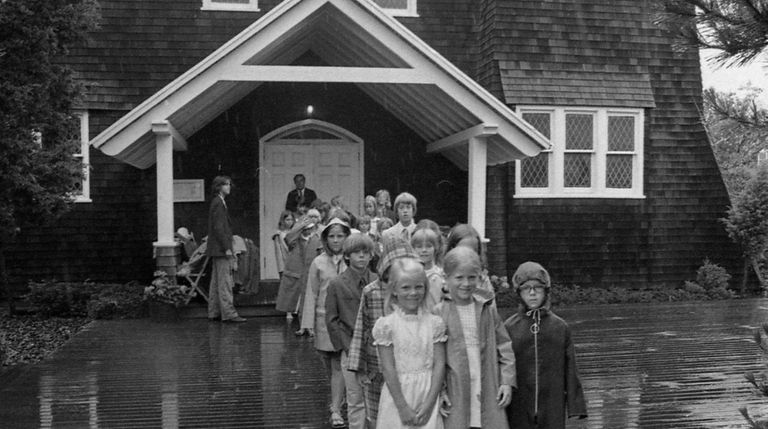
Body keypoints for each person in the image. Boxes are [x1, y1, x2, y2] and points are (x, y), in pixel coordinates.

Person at [435, 246, 516, 429]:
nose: (466, 283)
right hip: (456, 387)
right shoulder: (439, 313)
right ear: (446, 278)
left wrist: (507, 382)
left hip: (487, 383)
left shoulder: (487, 310)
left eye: (471, 277)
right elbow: (433, 358)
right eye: (459, 277)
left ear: (479, 278)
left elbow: (505, 347)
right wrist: (440, 390)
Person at [347, 237, 419, 429]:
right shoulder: (372, 292)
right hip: (376, 367)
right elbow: (361, 328)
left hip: (409, 367)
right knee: (378, 415)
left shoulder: (415, 292)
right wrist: (359, 366)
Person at [504, 262, 588, 428]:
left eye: (538, 288)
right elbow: (502, 364)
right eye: (526, 288)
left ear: (546, 290)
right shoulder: (509, 327)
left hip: (552, 401)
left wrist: (575, 405)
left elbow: (571, 368)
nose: (533, 293)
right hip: (519, 401)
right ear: (518, 293)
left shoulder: (559, 327)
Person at [372, 257, 446, 429]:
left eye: (418, 287)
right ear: (394, 290)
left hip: (428, 393)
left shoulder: (435, 324)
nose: (413, 293)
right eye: (406, 287)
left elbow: (439, 364)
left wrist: (430, 403)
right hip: (398, 395)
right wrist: (402, 407)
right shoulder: (387, 326)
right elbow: (388, 368)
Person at [300, 217, 351, 428]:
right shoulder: (318, 262)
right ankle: (339, 394)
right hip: (324, 320)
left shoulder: (352, 260)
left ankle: (336, 408)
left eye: (340, 236)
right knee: (329, 363)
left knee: (339, 363)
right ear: (325, 238)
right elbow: (311, 293)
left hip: (345, 320)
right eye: (332, 236)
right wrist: (307, 323)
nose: (336, 240)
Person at [326, 233, 378, 429]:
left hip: (375, 350)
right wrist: (345, 347)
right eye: (357, 253)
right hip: (350, 349)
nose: (362, 257)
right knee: (355, 398)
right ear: (347, 256)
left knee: (376, 398)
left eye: (366, 252)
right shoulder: (337, 284)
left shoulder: (377, 281)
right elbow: (331, 320)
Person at [206, 176, 246, 323]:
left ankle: (214, 311)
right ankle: (229, 313)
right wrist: (227, 248)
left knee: (216, 282)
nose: (229, 187)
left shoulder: (219, 202)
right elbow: (219, 228)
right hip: (221, 249)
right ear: (219, 187)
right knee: (225, 281)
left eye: (229, 184)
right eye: (226, 184)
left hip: (217, 249)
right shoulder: (218, 203)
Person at [275, 214, 319, 321]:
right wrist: (300, 225)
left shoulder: (317, 239)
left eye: (310, 228)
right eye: (306, 228)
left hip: (311, 273)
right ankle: (302, 325)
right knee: (296, 300)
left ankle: (308, 325)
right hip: (298, 274)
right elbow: (289, 237)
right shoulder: (295, 240)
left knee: (309, 301)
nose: (308, 230)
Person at [445, 224, 494, 298]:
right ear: (452, 248)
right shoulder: (442, 277)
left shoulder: (482, 280)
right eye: (463, 251)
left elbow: (491, 305)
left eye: (472, 251)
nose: (468, 256)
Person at [410, 226, 444, 310]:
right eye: (419, 247)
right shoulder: (409, 274)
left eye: (428, 246)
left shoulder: (441, 275)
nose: (424, 250)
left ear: (435, 247)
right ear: (413, 249)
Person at [272, 210, 295, 278]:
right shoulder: (278, 235)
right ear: (283, 220)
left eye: (291, 220)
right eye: (287, 220)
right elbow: (278, 253)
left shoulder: (295, 232)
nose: (290, 222)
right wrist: (281, 268)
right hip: (284, 262)